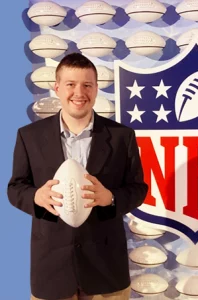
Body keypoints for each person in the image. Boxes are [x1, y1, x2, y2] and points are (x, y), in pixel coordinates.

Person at [7, 52, 148, 300]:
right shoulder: (29, 136)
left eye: (87, 85)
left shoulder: (121, 136)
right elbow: (15, 188)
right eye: (71, 84)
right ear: (57, 88)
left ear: (96, 89)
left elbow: (138, 188)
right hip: (51, 269)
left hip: (106, 269)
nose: (79, 93)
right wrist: (36, 197)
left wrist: (111, 198)